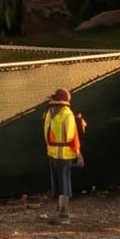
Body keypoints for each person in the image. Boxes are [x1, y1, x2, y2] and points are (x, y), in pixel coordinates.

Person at [41, 88, 85, 219]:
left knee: (58, 182)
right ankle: (64, 210)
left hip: (52, 153)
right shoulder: (67, 114)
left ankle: (60, 208)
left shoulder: (49, 113)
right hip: (65, 154)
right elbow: (72, 137)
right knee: (65, 181)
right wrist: (79, 155)